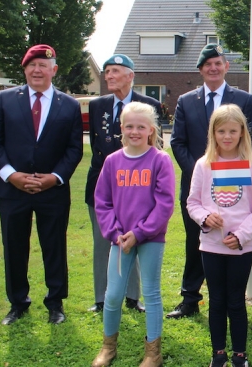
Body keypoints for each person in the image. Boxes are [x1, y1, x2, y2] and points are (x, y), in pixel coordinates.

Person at [0, 44, 83, 325]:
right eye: (32, 65)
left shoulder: (70, 105)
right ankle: (18, 303)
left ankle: (55, 303)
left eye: (43, 65)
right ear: (25, 69)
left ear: (54, 70)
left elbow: (74, 148)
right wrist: (11, 175)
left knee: (54, 246)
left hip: (52, 191)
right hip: (12, 189)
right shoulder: (5, 99)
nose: (37, 70)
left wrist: (55, 177)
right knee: (14, 246)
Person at [169, 43, 252, 319]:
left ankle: (231, 298)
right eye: (208, 64)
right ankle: (190, 298)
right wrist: (203, 174)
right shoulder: (186, 101)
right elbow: (177, 142)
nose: (213, 68)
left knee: (231, 237)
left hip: (236, 186)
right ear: (200, 70)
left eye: (218, 63)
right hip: (197, 188)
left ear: (226, 67)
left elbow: (251, 140)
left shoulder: (243, 99)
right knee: (195, 242)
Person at [186, 105, 252, 367]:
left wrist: (242, 235)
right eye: (221, 131)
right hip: (211, 245)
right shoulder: (203, 165)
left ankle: (240, 354)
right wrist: (205, 217)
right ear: (213, 133)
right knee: (216, 300)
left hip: (240, 247)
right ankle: (218, 353)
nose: (227, 136)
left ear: (242, 132)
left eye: (233, 131)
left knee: (235, 301)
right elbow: (193, 203)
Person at [91, 102, 175, 367]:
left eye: (141, 127)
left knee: (151, 292)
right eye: (129, 126)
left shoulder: (160, 160)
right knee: (113, 294)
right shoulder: (112, 161)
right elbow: (102, 201)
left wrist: (139, 233)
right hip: (120, 239)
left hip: (150, 238)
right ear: (121, 128)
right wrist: (115, 232)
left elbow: (165, 204)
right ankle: (108, 347)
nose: (135, 132)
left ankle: (153, 353)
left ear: (151, 130)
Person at [86, 54, 161, 314]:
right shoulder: (97, 105)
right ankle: (101, 297)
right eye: (107, 71)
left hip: (138, 187)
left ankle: (132, 296)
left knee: (136, 238)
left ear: (131, 75)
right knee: (103, 241)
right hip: (103, 184)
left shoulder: (149, 105)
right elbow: (96, 146)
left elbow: (155, 147)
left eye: (115, 71)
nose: (109, 76)